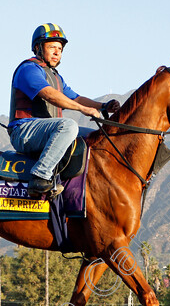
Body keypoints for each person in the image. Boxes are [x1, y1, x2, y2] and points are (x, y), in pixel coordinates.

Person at [8, 23, 119, 196]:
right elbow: (50, 95)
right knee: (68, 126)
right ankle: (40, 177)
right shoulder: (28, 69)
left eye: (60, 48)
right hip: (24, 131)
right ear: (38, 47)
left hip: (47, 131)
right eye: (52, 46)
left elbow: (76, 98)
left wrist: (103, 106)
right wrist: (83, 109)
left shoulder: (56, 77)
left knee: (95, 136)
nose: (57, 52)